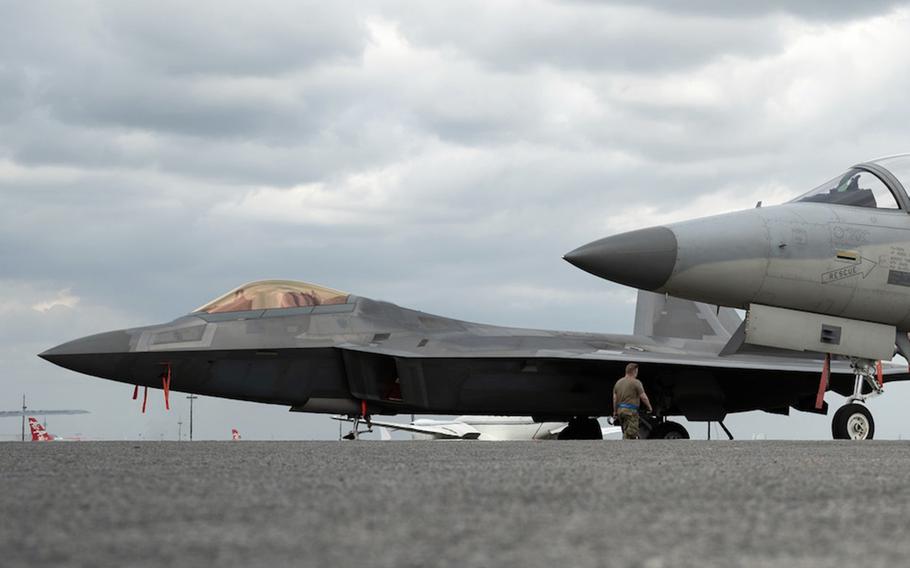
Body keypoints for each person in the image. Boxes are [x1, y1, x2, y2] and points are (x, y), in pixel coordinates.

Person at [613, 363, 653, 439]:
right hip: (630, 411)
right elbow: (643, 397)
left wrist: (615, 411)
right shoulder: (636, 382)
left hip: (620, 411)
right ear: (634, 371)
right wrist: (649, 407)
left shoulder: (618, 383)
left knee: (626, 430)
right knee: (631, 433)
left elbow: (615, 399)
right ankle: (625, 446)